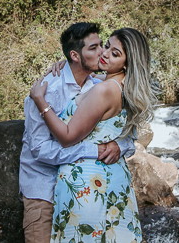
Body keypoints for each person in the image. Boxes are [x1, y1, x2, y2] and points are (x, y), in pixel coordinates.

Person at [30, 27, 156, 243]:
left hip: (88, 185)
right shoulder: (122, 87)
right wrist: (66, 65)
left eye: (115, 53)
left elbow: (67, 137)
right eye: (106, 46)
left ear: (127, 63)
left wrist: (40, 101)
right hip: (111, 179)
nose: (104, 54)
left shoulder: (104, 90)